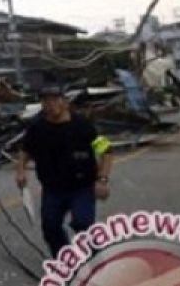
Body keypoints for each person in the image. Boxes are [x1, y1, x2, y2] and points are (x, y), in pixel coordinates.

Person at [16, 86, 113, 258]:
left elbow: (106, 151)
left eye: (55, 99)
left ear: (65, 102)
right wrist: (21, 171)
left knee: (82, 223)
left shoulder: (83, 126)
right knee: (50, 227)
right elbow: (25, 151)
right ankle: (65, 261)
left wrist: (102, 180)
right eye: (46, 101)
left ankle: (95, 260)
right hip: (53, 189)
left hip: (81, 187)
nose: (50, 104)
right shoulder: (37, 128)